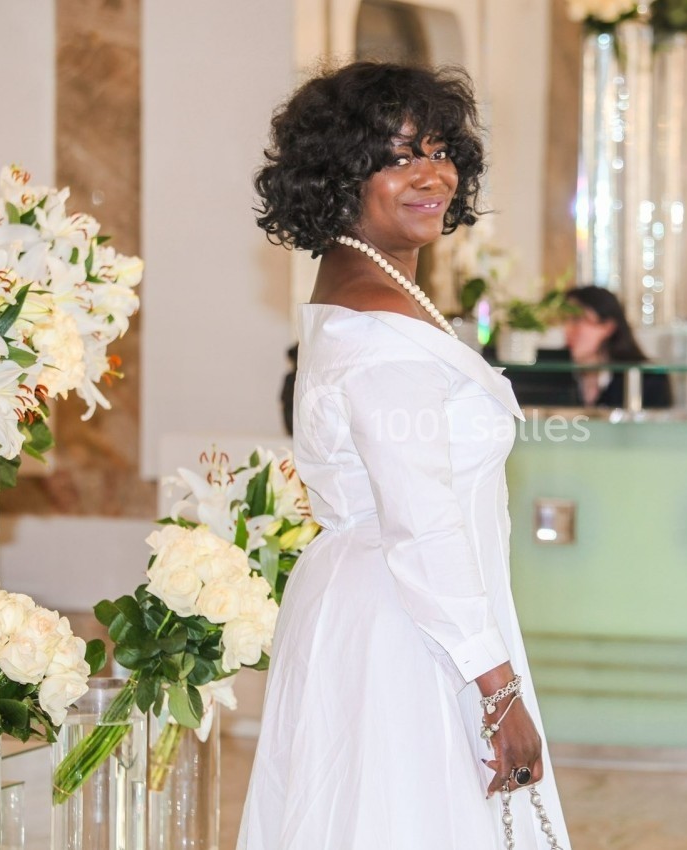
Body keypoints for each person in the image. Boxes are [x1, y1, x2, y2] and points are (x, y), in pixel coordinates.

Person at [239, 62, 571, 850]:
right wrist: (497, 691)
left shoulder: (370, 291)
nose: (431, 175)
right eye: (395, 158)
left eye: (440, 150)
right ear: (339, 177)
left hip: (398, 607)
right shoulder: (381, 334)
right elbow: (422, 526)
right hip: (407, 628)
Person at [560, 285, 672, 409]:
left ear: (608, 325)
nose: (568, 329)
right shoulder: (554, 372)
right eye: (564, 319)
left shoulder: (648, 378)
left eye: (577, 319)